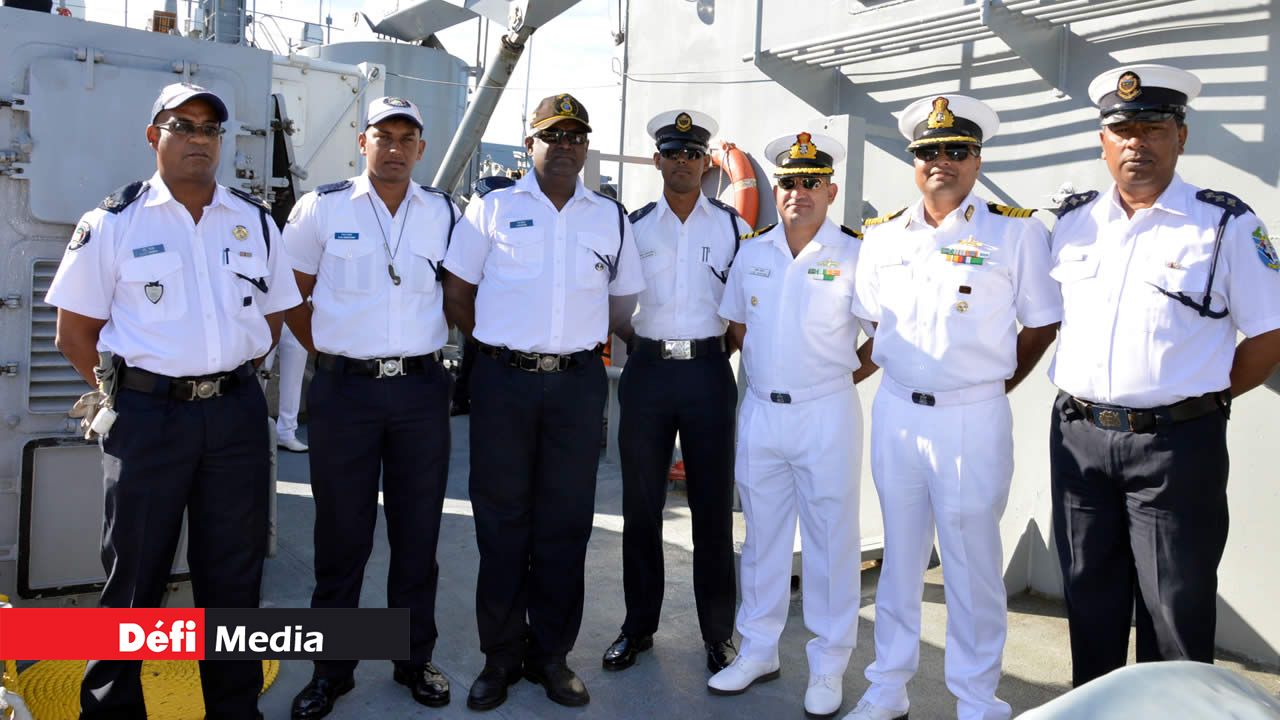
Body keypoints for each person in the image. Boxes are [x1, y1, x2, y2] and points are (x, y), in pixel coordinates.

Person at [45, 82, 300, 720]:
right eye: (182, 126)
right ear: (154, 135)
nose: (198, 138)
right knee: (134, 577)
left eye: (210, 128)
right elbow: (74, 334)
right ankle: (110, 709)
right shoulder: (112, 221)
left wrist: (224, 377)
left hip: (235, 415)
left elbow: (269, 322)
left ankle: (235, 709)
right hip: (147, 419)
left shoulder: (253, 220)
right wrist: (130, 395)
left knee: (234, 579)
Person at [1047, 64, 1280, 687]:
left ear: (1181, 136)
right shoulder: (1073, 222)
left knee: (1174, 611)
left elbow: (1269, 334)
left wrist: (1202, 396)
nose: (1136, 143)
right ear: (1103, 143)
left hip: (1176, 449)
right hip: (1078, 440)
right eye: (1122, 130)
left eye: (1152, 127)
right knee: (1087, 601)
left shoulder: (1226, 223)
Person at [846, 95, 1062, 720]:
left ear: (976, 160)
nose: (942, 161)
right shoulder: (882, 235)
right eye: (929, 152)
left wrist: (989, 385)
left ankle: (976, 698)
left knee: (971, 563)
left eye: (957, 151)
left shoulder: (1013, 231)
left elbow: (1040, 326)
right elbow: (873, 323)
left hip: (973, 419)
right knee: (899, 558)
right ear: (915, 162)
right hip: (897, 413)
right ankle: (887, 686)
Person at [442, 93, 645, 711]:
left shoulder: (609, 218)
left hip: (577, 387)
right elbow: (458, 293)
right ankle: (499, 658)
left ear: (587, 148)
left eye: (576, 137)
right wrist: (505, 346)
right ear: (529, 145)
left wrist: (566, 345)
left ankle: (552, 656)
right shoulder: (492, 208)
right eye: (552, 136)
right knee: (501, 524)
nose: (565, 146)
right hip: (503, 384)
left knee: (565, 523)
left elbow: (622, 304)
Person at [282, 97, 458, 718]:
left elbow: (459, 289)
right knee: (342, 537)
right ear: (363, 142)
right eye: (383, 135)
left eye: (407, 137)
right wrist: (330, 351)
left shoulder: (443, 213)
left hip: (418, 390)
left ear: (421, 149)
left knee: (417, 536)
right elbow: (289, 294)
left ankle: (414, 658)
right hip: (346, 393)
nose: (394, 147)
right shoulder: (322, 208)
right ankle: (333, 671)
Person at [710, 131, 875, 718]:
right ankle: (757, 649)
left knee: (832, 543)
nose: (798, 192)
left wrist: (828, 381)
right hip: (761, 410)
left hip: (825, 410)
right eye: (787, 182)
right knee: (761, 539)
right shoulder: (753, 251)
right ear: (776, 189)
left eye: (811, 182)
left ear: (831, 190)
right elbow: (736, 326)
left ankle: (828, 665)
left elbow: (879, 341)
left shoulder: (857, 253)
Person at [602, 110, 740, 675]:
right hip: (650, 373)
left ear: (706, 163)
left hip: (708, 373)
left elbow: (739, 313)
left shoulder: (731, 227)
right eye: (672, 153)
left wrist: (707, 354)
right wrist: (649, 345)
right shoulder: (634, 227)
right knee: (641, 506)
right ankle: (638, 628)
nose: (682, 162)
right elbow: (617, 307)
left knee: (711, 510)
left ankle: (717, 634)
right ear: (657, 160)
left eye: (692, 153)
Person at [264, 324, 309, 452]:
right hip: (266, 313)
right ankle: (251, 433)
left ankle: (286, 432)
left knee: (294, 376)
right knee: (259, 377)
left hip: (295, 310)